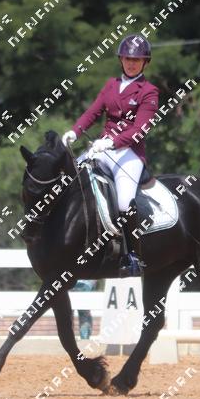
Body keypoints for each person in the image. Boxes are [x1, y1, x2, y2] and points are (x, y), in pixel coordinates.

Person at [61, 34, 159, 277]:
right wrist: (75, 131)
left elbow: (140, 130)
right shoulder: (111, 85)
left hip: (129, 154)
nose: (131, 63)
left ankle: (132, 256)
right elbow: (93, 112)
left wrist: (112, 142)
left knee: (125, 202)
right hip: (102, 148)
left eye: (136, 60)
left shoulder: (149, 91)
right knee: (70, 179)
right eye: (127, 59)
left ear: (145, 62)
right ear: (121, 59)